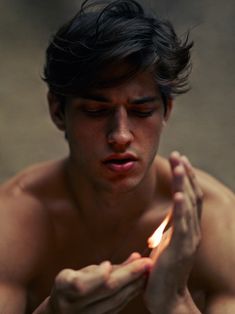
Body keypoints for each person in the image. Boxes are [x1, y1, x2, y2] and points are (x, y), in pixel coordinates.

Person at [0, 0, 234, 313]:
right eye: (96, 111)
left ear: (166, 111)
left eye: (141, 111)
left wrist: (175, 302)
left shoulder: (216, 223)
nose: (121, 135)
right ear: (58, 111)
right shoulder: (13, 222)